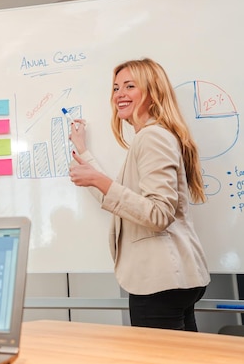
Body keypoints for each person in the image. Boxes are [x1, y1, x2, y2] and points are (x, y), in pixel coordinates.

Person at [68, 58, 210, 331]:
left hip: (159, 282)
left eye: (129, 86)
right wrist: (83, 152)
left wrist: (99, 180)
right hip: (175, 279)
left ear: (152, 92)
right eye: (115, 87)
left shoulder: (152, 137)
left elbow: (158, 214)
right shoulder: (154, 136)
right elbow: (122, 202)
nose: (119, 94)